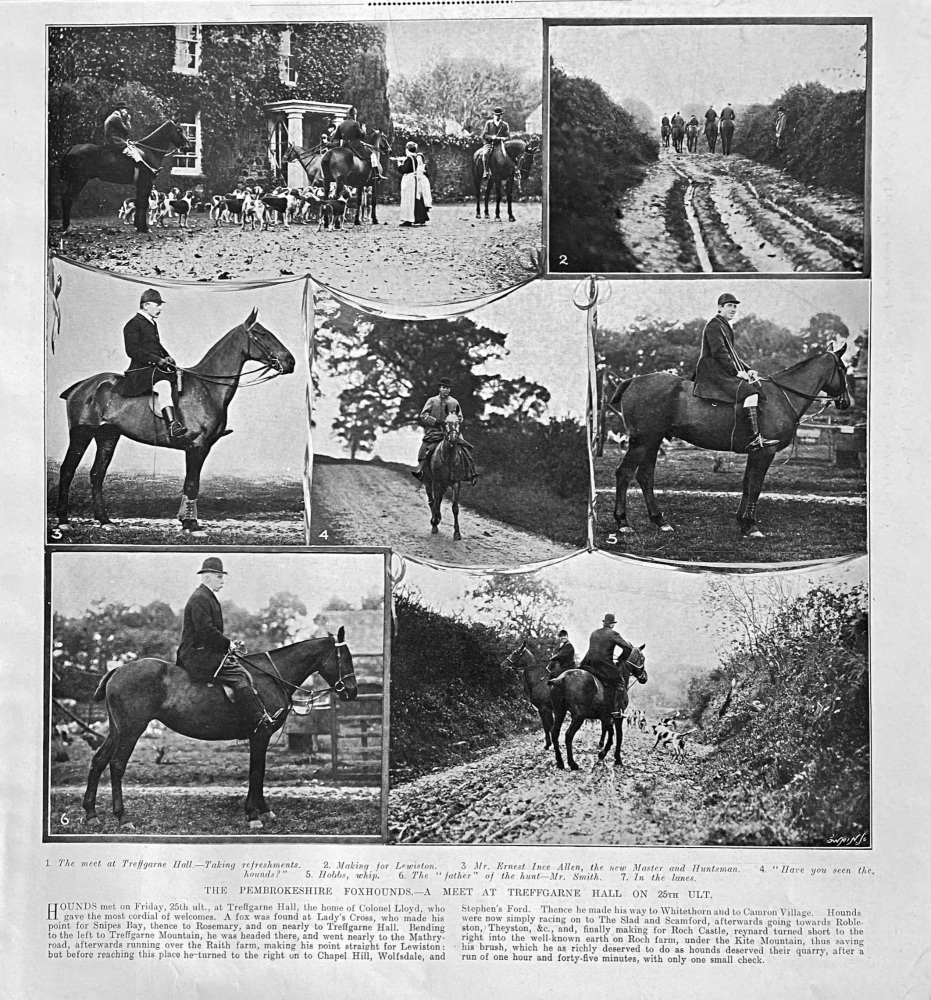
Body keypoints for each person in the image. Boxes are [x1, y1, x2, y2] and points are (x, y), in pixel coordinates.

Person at [176, 558, 283, 736]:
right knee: (240, 676)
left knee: (242, 670)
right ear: (207, 578)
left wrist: (228, 645)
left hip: (205, 652)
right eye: (219, 577)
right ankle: (257, 719)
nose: (222, 582)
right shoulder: (200, 598)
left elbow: (210, 632)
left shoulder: (206, 597)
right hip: (197, 655)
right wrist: (228, 644)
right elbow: (205, 630)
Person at [692, 293, 779, 452]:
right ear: (720, 307)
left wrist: (748, 369)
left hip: (719, 367)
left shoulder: (724, 325)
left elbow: (732, 354)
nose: (733, 309)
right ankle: (754, 438)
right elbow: (719, 353)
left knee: (756, 386)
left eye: (735, 306)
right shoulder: (714, 325)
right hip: (712, 369)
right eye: (729, 306)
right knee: (750, 393)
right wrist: (736, 372)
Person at [120, 288, 188, 443]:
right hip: (140, 371)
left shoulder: (151, 324)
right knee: (164, 385)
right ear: (145, 306)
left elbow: (155, 346)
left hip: (153, 368)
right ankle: (172, 425)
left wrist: (167, 356)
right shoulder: (133, 324)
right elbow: (133, 350)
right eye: (157, 305)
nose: (160, 309)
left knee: (180, 378)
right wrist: (157, 360)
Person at [552, 614, 646, 718]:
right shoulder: (614, 634)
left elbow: (591, 650)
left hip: (589, 663)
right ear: (612, 625)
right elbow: (628, 649)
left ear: (604, 623)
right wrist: (620, 659)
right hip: (605, 665)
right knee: (620, 682)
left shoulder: (594, 633)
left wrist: (581, 665)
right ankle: (617, 710)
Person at [411, 377, 472, 481]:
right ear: (439, 388)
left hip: (451, 432)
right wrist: (435, 421)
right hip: (434, 432)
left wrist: (452, 421)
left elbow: (460, 417)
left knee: (465, 449)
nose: (446, 390)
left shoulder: (454, 402)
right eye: (444, 387)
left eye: (448, 388)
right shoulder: (432, 401)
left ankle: (470, 472)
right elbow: (423, 415)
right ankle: (421, 472)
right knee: (423, 450)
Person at [102, 101, 158, 177]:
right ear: (120, 109)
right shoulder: (116, 117)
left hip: (113, 141)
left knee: (131, 148)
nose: (126, 112)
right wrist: (128, 120)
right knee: (134, 152)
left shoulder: (113, 116)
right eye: (125, 109)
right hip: (115, 142)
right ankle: (148, 169)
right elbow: (126, 131)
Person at [333, 107, 384, 178]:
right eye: (356, 114)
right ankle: (377, 173)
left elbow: (336, 138)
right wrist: (364, 130)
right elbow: (362, 136)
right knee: (372, 154)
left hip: (345, 146)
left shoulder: (341, 125)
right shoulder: (355, 124)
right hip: (355, 146)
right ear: (354, 115)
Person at [395, 142, 432, 227]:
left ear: (407, 149)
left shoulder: (410, 158)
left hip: (409, 180)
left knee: (408, 199)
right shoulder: (414, 158)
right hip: (413, 179)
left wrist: (399, 164)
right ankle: (416, 218)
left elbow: (404, 169)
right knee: (413, 198)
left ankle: (408, 219)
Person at [480, 106, 510, 180]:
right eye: (496, 115)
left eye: (499, 115)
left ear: (501, 115)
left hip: (500, 144)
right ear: (493, 115)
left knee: (509, 155)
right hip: (489, 143)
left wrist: (502, 138)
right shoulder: (489, 123)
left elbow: (508, 137)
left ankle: (509, 172)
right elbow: (484, 135)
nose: (497, 116)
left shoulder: (504, 125)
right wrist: (492, 137)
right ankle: (485, 171)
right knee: (485, 153)